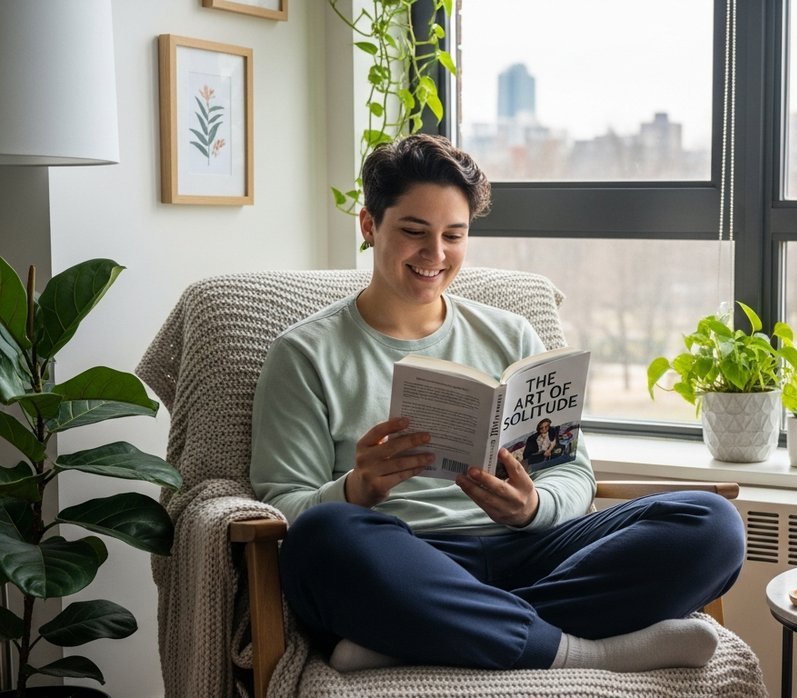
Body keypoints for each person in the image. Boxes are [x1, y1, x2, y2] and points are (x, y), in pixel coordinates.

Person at [249, 134, 745, 673]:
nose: (434, 255)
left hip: (529, 554)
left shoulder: (511, 335)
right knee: (322, 540)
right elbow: (283, 510)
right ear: (369, 226)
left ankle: (418, 637)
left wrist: (532, 508)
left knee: (712, 523)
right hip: (404, 562)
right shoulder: (304, 354)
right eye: (414, 231)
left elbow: (573, 471)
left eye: (453, 236)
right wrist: (354, 489)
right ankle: (582, 651)